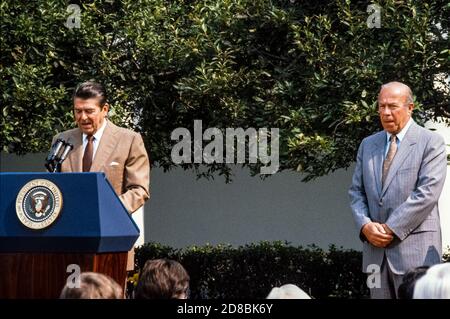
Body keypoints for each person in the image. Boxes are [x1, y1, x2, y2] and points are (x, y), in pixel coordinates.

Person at [349, 81, 447, 299]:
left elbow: (427, 193)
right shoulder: (368, 144)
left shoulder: (430, 142)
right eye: (381, 106)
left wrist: (390, 229)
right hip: (376, 256)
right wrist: (365, 226)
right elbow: (356, 192)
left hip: (416, 254)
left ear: (410, 107)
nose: (385, 112)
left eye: (392, 106)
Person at [52, 81, 150, 269]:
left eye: (89, 111)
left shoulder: (129, 140)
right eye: (77, 111)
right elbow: (53, 185)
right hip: (68, 244)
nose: (82, 117)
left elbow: (139, 190)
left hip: (110, 243)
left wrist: (106, 211)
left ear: (105, 109)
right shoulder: (61, 140)